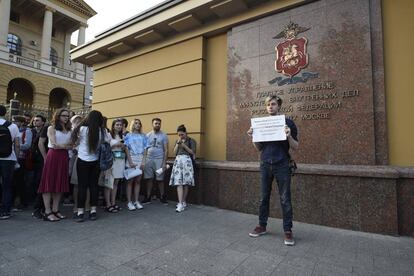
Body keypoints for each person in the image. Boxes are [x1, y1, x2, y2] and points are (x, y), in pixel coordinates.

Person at [247, 95, 298, 246]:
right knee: (263, 197)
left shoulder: (288, 123)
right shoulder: (260, 124)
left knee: (285, 199)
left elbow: (295, 146)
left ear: (279, 106)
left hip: (282, 164)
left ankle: (288, 231)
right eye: (268, 104)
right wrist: (253, 137)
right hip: (265, 164)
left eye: (273, 104)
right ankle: (262, 226)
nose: (270, 106)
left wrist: (288, 136)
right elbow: (258, 148)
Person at [72, 110, 107, 222]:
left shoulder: (82, 129)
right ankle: (93, 211)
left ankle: (80, 212)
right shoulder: (102, 131)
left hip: (82, 160)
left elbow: (74, 141)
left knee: (82, 186)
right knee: (94, 186)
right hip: (95, 161)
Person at [38, 108, 72, 222]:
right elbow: (54, 144)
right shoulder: (51, 128)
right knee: (48, 183)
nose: (66, 118)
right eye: (64, 115)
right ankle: (47, 212)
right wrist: (67, 146)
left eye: (67, 116)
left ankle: (55, 210)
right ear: (58, 116)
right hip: (53, 156)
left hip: (63, 157)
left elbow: (73, 144)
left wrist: (65, 146)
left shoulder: (69, 129)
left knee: (60, 184)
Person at [104, 119, 133, 212]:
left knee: (116, 182)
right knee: (109, 183)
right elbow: (105, 147)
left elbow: (126, 149)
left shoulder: (123, 136)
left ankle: (113, 203)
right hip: (111, 160)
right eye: (117, 125)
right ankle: (108, 204)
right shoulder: (108, 135)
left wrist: (123, 146)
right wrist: (117, 143)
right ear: (113, 126)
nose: (119, 126)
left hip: (120, 160)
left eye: (121, 125)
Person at [169, 124, 196, 212]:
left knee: (186, 183)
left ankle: (183, 201)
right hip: (178, 161)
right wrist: (177, 144)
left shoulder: (191, 140)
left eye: (182, 134)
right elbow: (174, 152)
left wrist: (183, 145)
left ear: (185, 133)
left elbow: (192, 152)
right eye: (179, 135)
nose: (180, 136)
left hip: (187, 161)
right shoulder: (177, 140)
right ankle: (180, 203)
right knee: (179, 182)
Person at [0, 105, 20, 219]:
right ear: (5, 113)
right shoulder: (12, 126)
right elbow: (17, 145)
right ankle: (5, 211)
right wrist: (16, 159)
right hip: (8, 159)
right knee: (7, 186)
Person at [143, 118, 169, 204]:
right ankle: (148, 196)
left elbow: (166, 150)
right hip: (149, 159)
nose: (157, 125)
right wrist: (144, 160)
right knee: (149, 178)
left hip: (159, 159)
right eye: (156, 123)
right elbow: (145, 149)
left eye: (159, 123)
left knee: (160, 179)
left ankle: (162, 196)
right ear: (152, 124)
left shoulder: (164, 135)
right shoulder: (147, 135)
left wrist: (164, 162)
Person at [124, 118, 147, 210]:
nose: (138, 125)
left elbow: (146, 149)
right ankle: (129, 202)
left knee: (138, 181)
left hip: (140, 159)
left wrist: (143, 161)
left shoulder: (144, 136)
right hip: (131, 159)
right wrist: (130, 162)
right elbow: (126, 149)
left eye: (139, 123)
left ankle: (136, 201)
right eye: (136, 123)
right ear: (133, 125)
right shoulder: (128, 135)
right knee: (130, 182)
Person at [11, 115, 33, 210]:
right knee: (12, 181)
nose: (14, 123)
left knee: (19, 181)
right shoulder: (13, 129)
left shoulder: (27, 131)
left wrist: (16, 145)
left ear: (21, 122)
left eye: (16, 121)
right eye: (13, 121)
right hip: (11, 157)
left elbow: (27, 145)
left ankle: (21, 202)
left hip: (21, 158)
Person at [31, 114, 47, 219]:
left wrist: (45, 159)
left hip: (42, 161)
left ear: (43, 122)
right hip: (34, 161)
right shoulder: (31, 131)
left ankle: (39, 207)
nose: (35, 122)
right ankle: (37, 206)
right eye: (34, 120)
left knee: (41, 183)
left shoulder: (45, 131)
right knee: (36, 183)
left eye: (38, 120)